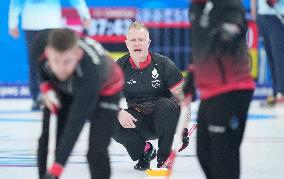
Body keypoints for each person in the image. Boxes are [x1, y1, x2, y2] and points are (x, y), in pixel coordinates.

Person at [36, 28, 124, 179]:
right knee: (48, 139)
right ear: (47, 52)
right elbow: (38, 65)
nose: (60, 68)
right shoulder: (39, 43)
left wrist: (56, 169)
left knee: (96, 152)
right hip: (70, 83)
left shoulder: (92, 72)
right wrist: (46, 87)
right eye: (55, 61)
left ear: (78, 54)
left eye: (66, 61)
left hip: (107, 90)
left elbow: (74, 125)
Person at [183, 0, 255, 179]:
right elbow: (198, 46)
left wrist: (227, 32)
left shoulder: (227, 3)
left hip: (232, 89)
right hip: (210, 91)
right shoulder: (195, 8)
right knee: (204, 154)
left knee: (224, 157)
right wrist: (192, 75)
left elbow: (237, 21)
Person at [112, 21, 190, 171]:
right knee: (110, 120)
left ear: (148, 42)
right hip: (139, 121)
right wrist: (118, 111)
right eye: (133, 40)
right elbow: (106, 98)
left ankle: (163, 158)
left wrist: (184, 130)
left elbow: (183, 100)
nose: (137, 43)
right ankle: (145, 152)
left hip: (166, 120)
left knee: (165, 105)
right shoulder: (119, 67)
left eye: (141, 40)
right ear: (126, 43)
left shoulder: (164, 65)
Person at [8, 0, 91, 110]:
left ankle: (60, 94)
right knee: (34, 63)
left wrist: (85, 15)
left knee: (58, 62)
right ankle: (37, 97)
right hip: (31, 26)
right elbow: (16, 2)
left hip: (52, 25)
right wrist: (12, 22)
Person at [250, 0, 284, 106]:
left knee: (279, 55)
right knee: (271, 57)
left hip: (278, 15)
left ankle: (281, 92)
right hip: (263, 16)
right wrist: (254, 12)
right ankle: (275, 91)